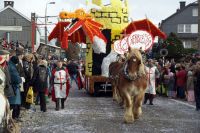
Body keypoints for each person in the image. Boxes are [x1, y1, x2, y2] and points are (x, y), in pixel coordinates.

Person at [8, 56, 22, 121]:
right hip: (14, 87)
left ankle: (13, 117)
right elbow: (16, 78)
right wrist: (20, 79)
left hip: (11, 87)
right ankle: (13, 117)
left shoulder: (9, 64)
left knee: (13, 103)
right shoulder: (12, 67)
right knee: (14, 103)